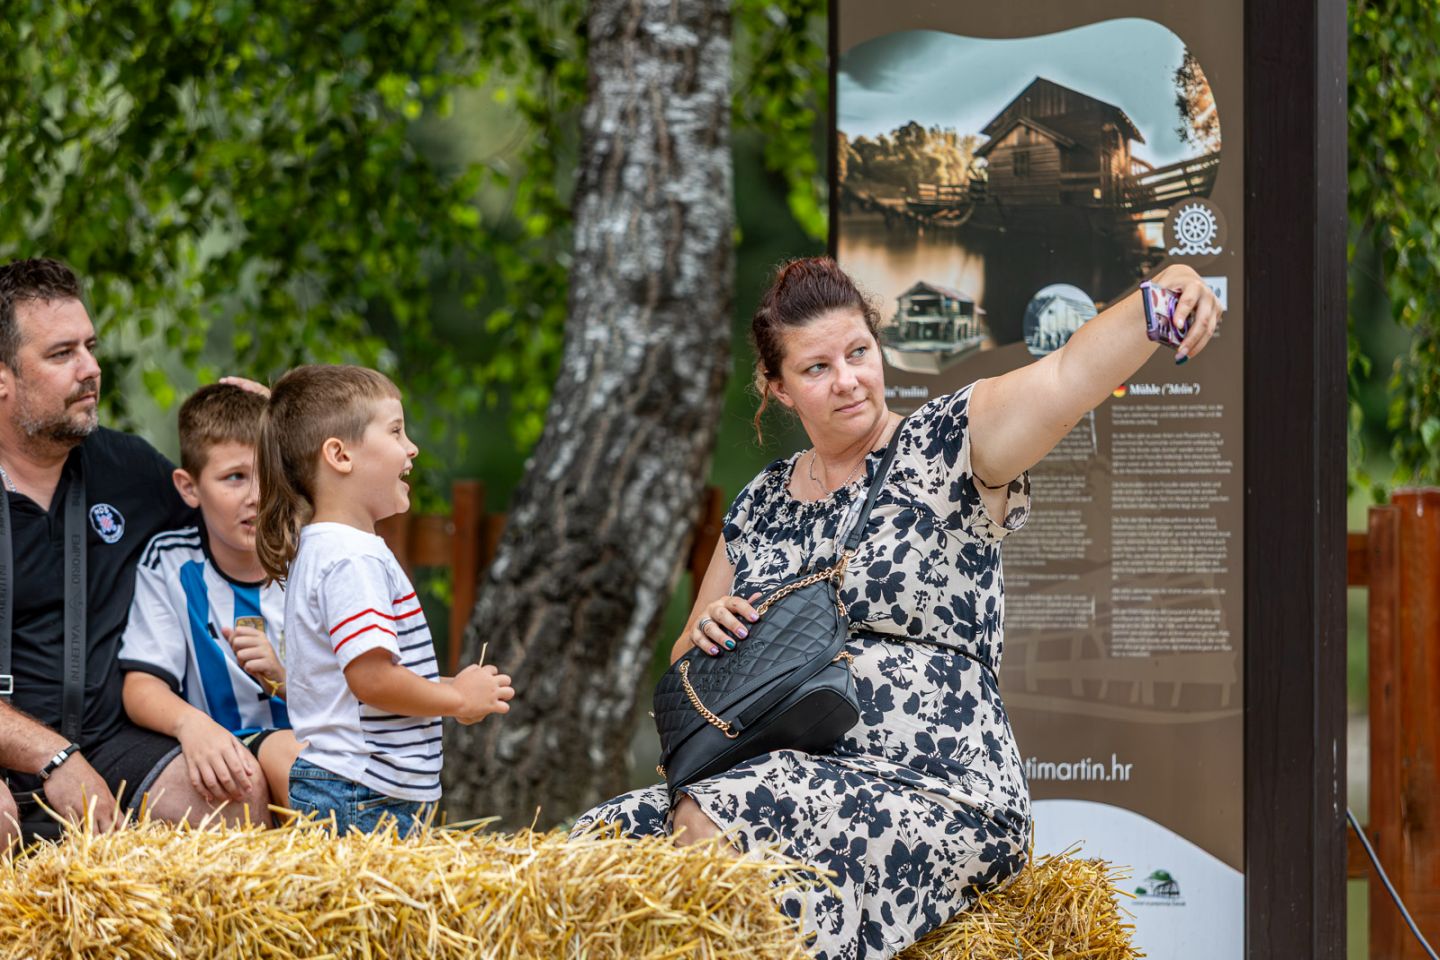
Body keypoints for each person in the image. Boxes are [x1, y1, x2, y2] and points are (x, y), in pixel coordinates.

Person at [573, 257, 1223, 960]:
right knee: (598, 848)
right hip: (781, 775)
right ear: (778, 388)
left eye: (858, 353)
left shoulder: (942, 447)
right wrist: (704, 631)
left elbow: (1067, 376)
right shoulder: (759, 503)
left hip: (940, 792)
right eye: (816, 368)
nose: (848, 379)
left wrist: (1165, 294)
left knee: (719, 818)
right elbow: (686, 670)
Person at [0, 257, 270, 843]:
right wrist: (54, 758)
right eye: (61, 354)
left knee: (238, 796)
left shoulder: (131, 468)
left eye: (90, 347)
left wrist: (274, 438)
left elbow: (253, 529)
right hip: (11, 748)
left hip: (111, 740)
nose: (91, 369)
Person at [254, 364, 515, 836]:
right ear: (339, 454)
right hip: (362, 795)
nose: (411, 447)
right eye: (396, 430)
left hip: (352, 788)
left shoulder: (324, 548)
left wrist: (453, 689)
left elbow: (367, 677)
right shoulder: (353, 559)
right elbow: (371, 679)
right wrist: (455, 698)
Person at [118, 383, 305, 815]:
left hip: (312, 746)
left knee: (290, 758)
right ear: (189, 488)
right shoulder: (171, 564)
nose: (257, 495)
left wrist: (280, 677)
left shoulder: (314, 561)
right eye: (235, 477)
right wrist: (192, 727)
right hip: (221, 748)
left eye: (269, 473)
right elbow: (142, 685)